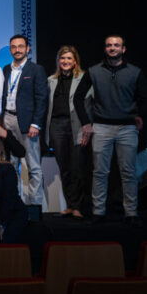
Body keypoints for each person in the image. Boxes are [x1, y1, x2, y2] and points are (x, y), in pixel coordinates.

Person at [74, 34, 147, 226]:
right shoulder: (94, 71)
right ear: (105, 48)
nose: (112, 48)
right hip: (101, 127)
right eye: (109, 45)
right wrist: (86, 123)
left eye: (116, 45)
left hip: (127, 128)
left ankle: (131, 213)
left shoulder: (135, 72)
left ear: (123, 49)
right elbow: (78, 98)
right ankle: (98, 212)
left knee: (129, 172)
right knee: (99, 172)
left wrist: (138, 115)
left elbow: (144, 97)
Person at [1, 35, 49, 207]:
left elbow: (42, 98)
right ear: (10, 49)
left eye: (21, 46)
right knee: (11, 164)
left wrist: (36, 123)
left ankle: (35, 205)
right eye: (14, 47)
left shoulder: (36, 69)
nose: (17, 50)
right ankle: (15, 203)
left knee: (33, 166)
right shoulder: (5, 69)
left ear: (27, 48)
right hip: (7, 119)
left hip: (28, 123)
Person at [47, 46, 89, 219]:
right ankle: (70, 205)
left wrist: (88, 125)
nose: (65, 61)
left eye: (69, 58)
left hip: (77, 125)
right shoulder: (51, 80)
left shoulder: (84, 78)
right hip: (56, 125)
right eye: (62, 58)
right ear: (58, 61)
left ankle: (78, 206)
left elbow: (91, 104)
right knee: (64, 167)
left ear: (75, 61)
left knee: (76, 167)